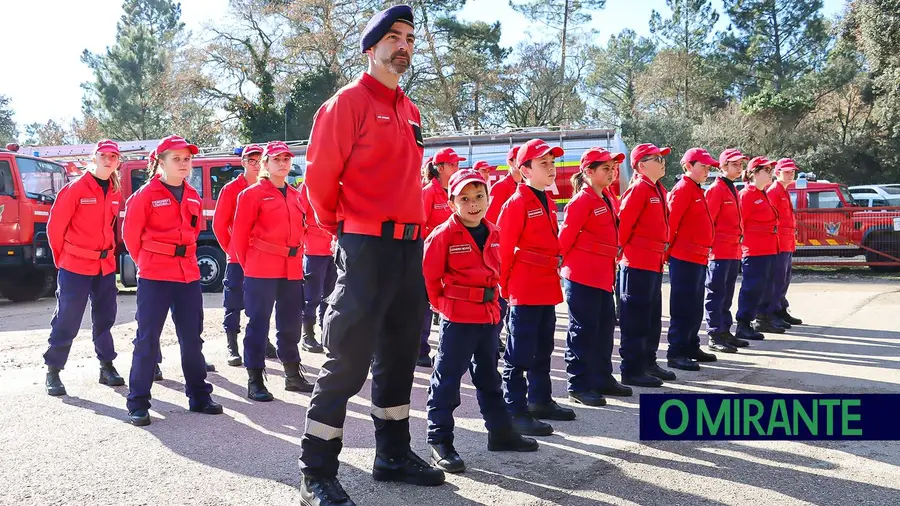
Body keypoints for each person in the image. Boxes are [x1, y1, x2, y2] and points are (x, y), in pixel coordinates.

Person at [298, 6, 445, 505]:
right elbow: (319, 180)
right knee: (348, 358)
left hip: (408, 248)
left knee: (401, 355)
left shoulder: (410, 108)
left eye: (409, 38)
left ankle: (393, 455)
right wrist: (342, 232)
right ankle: (316, 471)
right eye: (393, 38)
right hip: (365, 245)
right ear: (370, 47)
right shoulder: (347, 103)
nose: (403, 46)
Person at [423, 169, 538, 474]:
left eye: (479, 197)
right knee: (446, 380)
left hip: (488, 316)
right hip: (458, 319)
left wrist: (495, 307)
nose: (473, 204)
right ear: (452, 203)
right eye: (465, 198)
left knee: (489, 377)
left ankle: (500, 432)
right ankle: (440, 441)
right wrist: (447, 307)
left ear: (488, 198)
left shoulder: (495, 232)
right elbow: (430, 280)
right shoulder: (443, 235)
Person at [122, 135, 222, 426]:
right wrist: (147, 262)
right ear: (160, 162)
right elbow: (131, 237)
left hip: (188, 274)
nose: (183, 164)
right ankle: (138, 402)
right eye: (176, 159)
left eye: (187, 159)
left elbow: (192, 232)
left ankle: (199, 396)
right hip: (155, 275)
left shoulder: (192, 194)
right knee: (147, 339)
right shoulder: (144, 195)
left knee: (192, 338)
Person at [498, 138, 575, 437]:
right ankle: (514, 410)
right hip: (524, 289)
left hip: (544, 287)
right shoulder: (517, 203)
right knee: (518, 354)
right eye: (544, 163)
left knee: (543, 349)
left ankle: (540, 401)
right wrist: (505, 290)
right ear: (525, 169)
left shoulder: (546, 199)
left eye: (552, 163)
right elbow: (503, 251)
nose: (552, 168)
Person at [232, 140, 314, 401]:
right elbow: (239, 237)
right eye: (276, 159)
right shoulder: (251, 194)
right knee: (258, 323)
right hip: (261, 267)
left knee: (290, 323)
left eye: (287, 159)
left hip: (290, 268)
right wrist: (251, 266)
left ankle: (292, 374)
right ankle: (255, 379)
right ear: (265, 164)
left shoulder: (295, 194)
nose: (283, 163)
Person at [43, 140, 125, 396]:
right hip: (75, 265)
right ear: (94, 157)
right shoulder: (76, 188)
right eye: (104, 155)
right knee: (68, 318)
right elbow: (55, 228)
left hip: (104, 265)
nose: (109, 160)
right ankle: (53, 370)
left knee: (105, 318)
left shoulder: (114, 190)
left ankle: (106, 366)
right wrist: (63, 261)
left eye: (113, 156)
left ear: (118, 161)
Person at [559, 148, 633, 407]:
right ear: (589, 172)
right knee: (583, 331)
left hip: (603, 277)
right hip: (582, 277)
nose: (612, 172)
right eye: (606, 168)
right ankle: (578, 385)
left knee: (604, 330)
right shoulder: (581, 201)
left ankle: (602, 378)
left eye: (613, 168)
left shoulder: (607, 198)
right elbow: (564, 241)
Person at [212, 143, 278, 367]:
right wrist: (232, 251)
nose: (256, 164)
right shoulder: (231, 189)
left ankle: (264, 341)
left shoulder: (270, 188)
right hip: (238, 258)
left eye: (260, 160)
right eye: (251, 160)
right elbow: (220, 225)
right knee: (233, 301)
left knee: (262, 302)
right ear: (243, 162)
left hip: (262, 259)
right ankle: (232, 345)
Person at [617, 143, 675, 388]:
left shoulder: (657, 189)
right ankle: (632, 368)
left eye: (662, 157)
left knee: (651, 318)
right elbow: (623, 229)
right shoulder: (639, 189)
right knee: (636, 319)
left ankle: (648, 362)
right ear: (642, 165)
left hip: (653, 264)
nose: (662, 161)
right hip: (637, 264)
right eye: (656, 158)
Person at [665, 148, 718, 371]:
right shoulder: (683, 190)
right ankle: (677, 351)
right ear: (688, 166)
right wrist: (667, 254)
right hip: (684, 257)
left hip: (698, 256)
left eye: (708, 167)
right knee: (683, 306)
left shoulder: (697, 189)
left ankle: (690, 345)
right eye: (703, 166)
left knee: (695, 306)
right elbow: (671, 225)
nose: (707, 171)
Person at [419, 148, 464, 367]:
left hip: (454, 257)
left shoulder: (454, 192)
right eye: (453, 165)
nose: (457, 168)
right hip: (432, 257)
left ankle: (446, 350)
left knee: (450, 304)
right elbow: (419, 225)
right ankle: (421, 350)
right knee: (427, 305)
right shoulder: (428, 192)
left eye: (457, 164)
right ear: (440, 168)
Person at [704, 149, 750, 352]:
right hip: (720, 250)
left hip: (732, 250)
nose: (739, 168)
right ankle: (715, 333)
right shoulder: (716, 190)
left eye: (741, 164)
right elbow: (709, 221)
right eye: (734, 164)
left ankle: (725, 330)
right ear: (723, 167)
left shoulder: (732, 189)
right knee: (716, 292)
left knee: (727, 292)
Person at [735, 156, 781, 340]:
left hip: (768, 248)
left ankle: (759, 318)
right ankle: (743, 324)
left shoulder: (763, 193)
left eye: (771, 170)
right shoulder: (746, 195)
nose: (771, 174)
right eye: (767, 170)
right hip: (754, 250)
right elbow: (740, 223)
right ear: (754, 173)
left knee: (764, 287)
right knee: (751, 288)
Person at [486, 146, 522, 354]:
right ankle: (493, 336)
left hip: (517, 254)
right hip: (501, 251)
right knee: (499, 297)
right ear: (511, 163)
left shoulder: (526, 187)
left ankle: (502, 336)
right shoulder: (501, 187)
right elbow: (491, 220)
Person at [761, 158, 803, 328]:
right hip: (779, 243)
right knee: (776, 280)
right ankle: (772, 312)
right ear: (777, 173)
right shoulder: (774, 191)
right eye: (786, 171)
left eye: (792, 171)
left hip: (786, 242)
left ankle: (780, 309)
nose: (790, 173)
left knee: (784, 279)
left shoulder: (783, 190)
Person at [297, 181, 331, 354]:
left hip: (333, 247)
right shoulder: (308, 185)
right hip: (314, 248)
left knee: (331, 297)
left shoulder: (339, 182)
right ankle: (308, 335)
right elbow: (299, 216)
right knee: (312, 297)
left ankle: (328, 334)